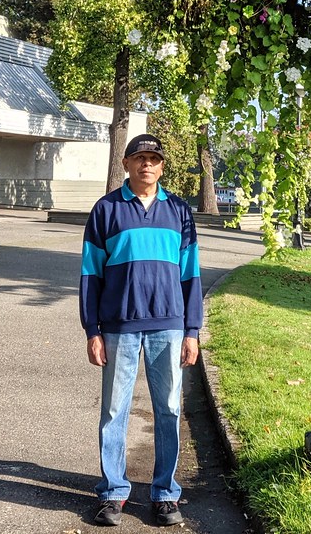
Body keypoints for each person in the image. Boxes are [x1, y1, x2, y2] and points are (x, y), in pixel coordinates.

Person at [80, 133, 203, 527]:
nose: (146, 164)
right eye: (139, 158)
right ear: (126, 164)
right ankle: (113, 493)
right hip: (118, 328)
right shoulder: (105, 210)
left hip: (168, 327)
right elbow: (90, 274)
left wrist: (192, 330)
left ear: (162, 167)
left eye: (153, 158)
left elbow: (191, 275)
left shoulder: (180, 212)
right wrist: (92, 330)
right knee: (114, 411)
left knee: (168, 409)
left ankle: (166, 495)